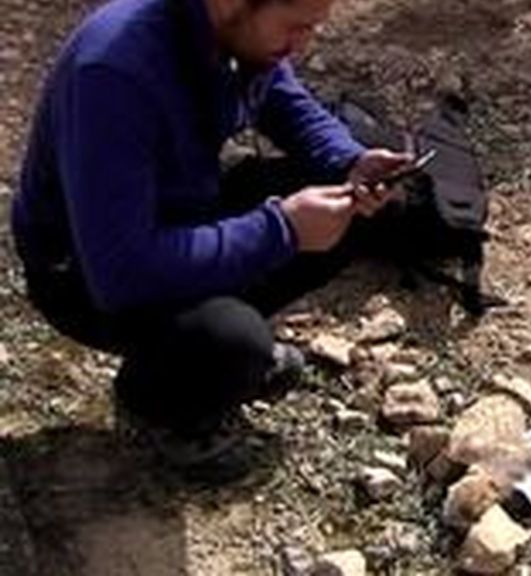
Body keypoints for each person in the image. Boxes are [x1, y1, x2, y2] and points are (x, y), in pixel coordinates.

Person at [12, 0, 411, 482]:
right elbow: (119, 272)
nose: (304, 44)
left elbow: (283, 98)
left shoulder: (229, 32)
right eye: (296, 27)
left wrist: (350, 161)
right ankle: (156, 401)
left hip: (179, 214)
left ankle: (205, 357)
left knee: (356, 204)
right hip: (85, 274)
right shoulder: (113, 70)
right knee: (232, 340)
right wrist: (281, 229)